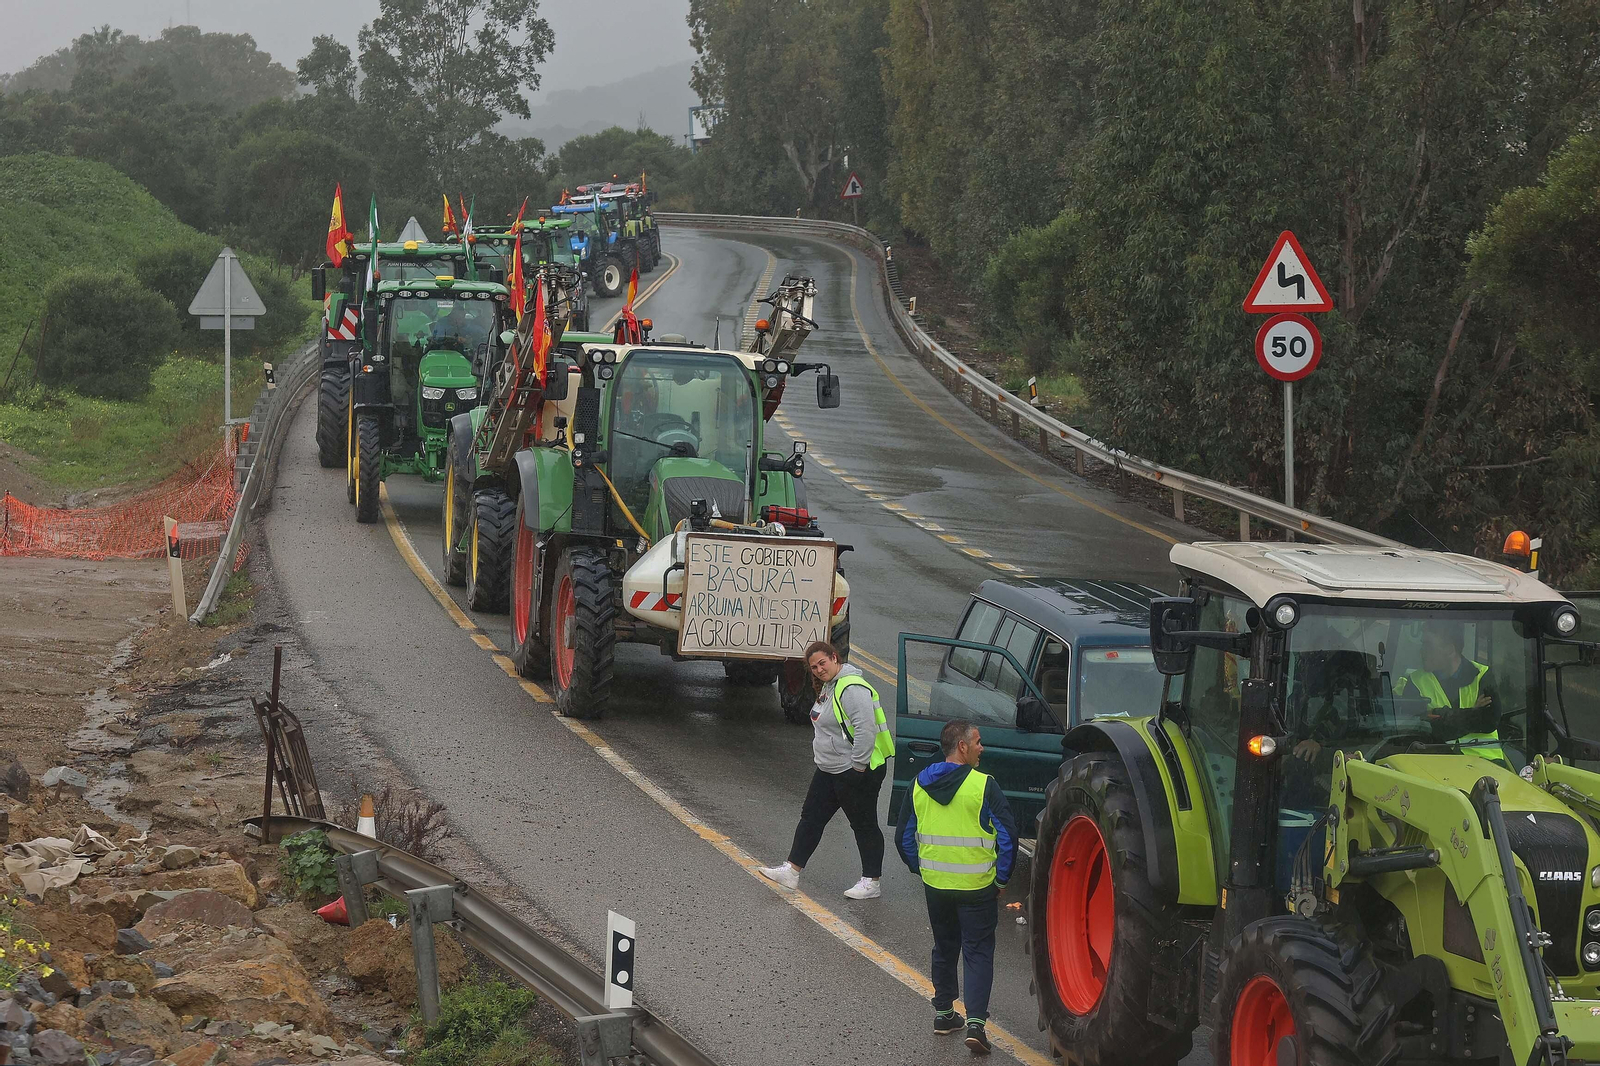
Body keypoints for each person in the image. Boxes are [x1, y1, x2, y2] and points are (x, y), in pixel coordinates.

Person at [896, 718, 1017, 1055]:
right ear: (962, 747)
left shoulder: (918, 784)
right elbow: (1008, 836)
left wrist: (924, 871)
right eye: (977, 742)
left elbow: (904, 837)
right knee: (977, 952)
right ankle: (976, 1024)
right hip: (977, 888)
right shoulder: (983, 785)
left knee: (944, 947)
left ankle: (944, 1014)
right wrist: (1002, 879)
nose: (982, 748)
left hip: (937, 886)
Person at [758, 641, 895, 900]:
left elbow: (866, 730)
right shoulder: (830, 687)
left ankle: (871, 882)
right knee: (811, 817)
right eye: (814, 667)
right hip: (830, 768)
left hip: (856, 769)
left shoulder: (851, 688)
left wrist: (858, 768)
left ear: (835, 658)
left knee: (863, 824)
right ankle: (792, 870)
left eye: (823, 663)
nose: (819, 669)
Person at [1396, 623, 1504, 762]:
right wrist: (1473, 712)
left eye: (1428, 645)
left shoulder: (1482, 675)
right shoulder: (1415, 681)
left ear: (1449, 649)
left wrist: (1441, 716)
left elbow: (1490, 721)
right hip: (1435, 766)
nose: (1422, 651)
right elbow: (1419, 730)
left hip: (1487, 765)